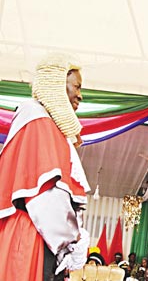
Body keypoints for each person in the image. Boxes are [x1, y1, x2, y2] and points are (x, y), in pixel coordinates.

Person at [0, 54, 90, 280]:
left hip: (36, 234)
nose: (80, 95)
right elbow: (46, 198)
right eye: (76, 87)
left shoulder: (41, 123)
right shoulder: (39, 122)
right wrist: (72, 240)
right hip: (32, 235)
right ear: (57, 86)